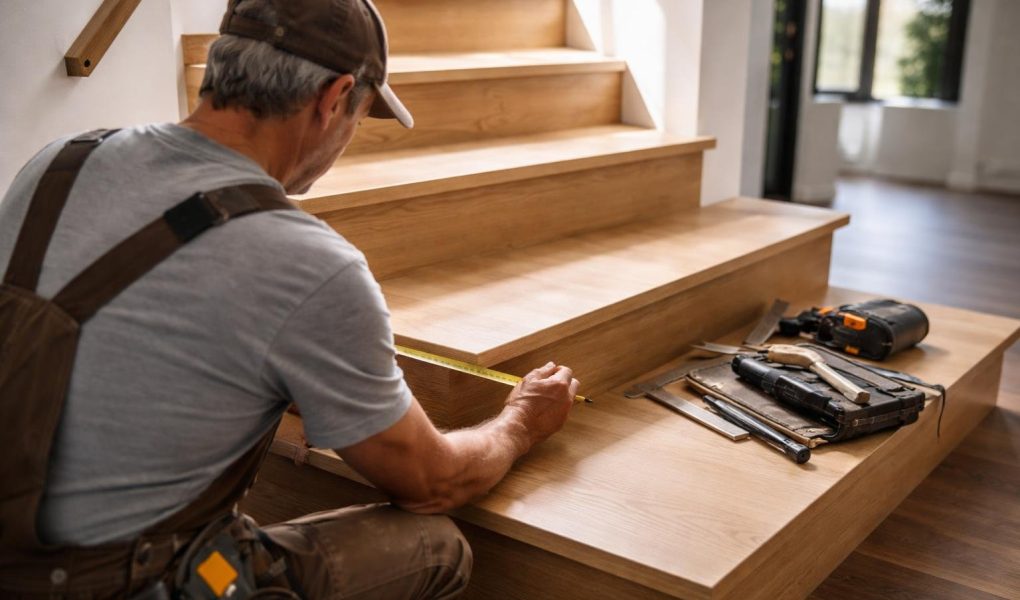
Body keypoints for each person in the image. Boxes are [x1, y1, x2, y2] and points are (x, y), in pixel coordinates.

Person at [0, 0, 579, 597]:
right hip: (126, 584)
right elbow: (432, 483)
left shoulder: (58, 163)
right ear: (333, 99)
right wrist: (519, 424)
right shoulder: (308, 266)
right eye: (359, 116)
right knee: (436, 547)